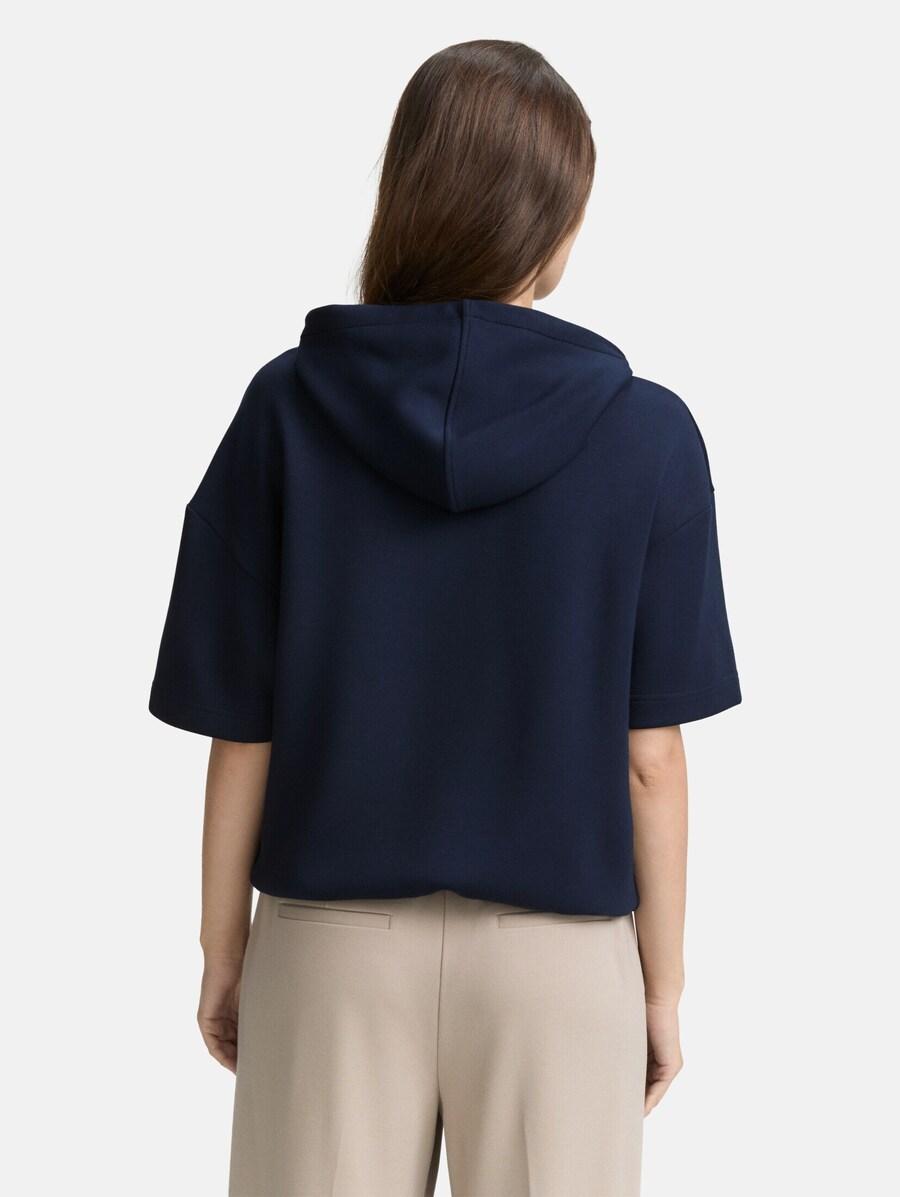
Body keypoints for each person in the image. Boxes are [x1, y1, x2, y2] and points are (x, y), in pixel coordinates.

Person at [149, 38, 740, 1197]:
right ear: (558, 219)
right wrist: (661, 985)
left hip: (329, 944)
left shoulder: (285, 411)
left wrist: (224, 950)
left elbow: (244, 734)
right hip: (561, 962)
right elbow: (651, 762)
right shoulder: (648, 436)